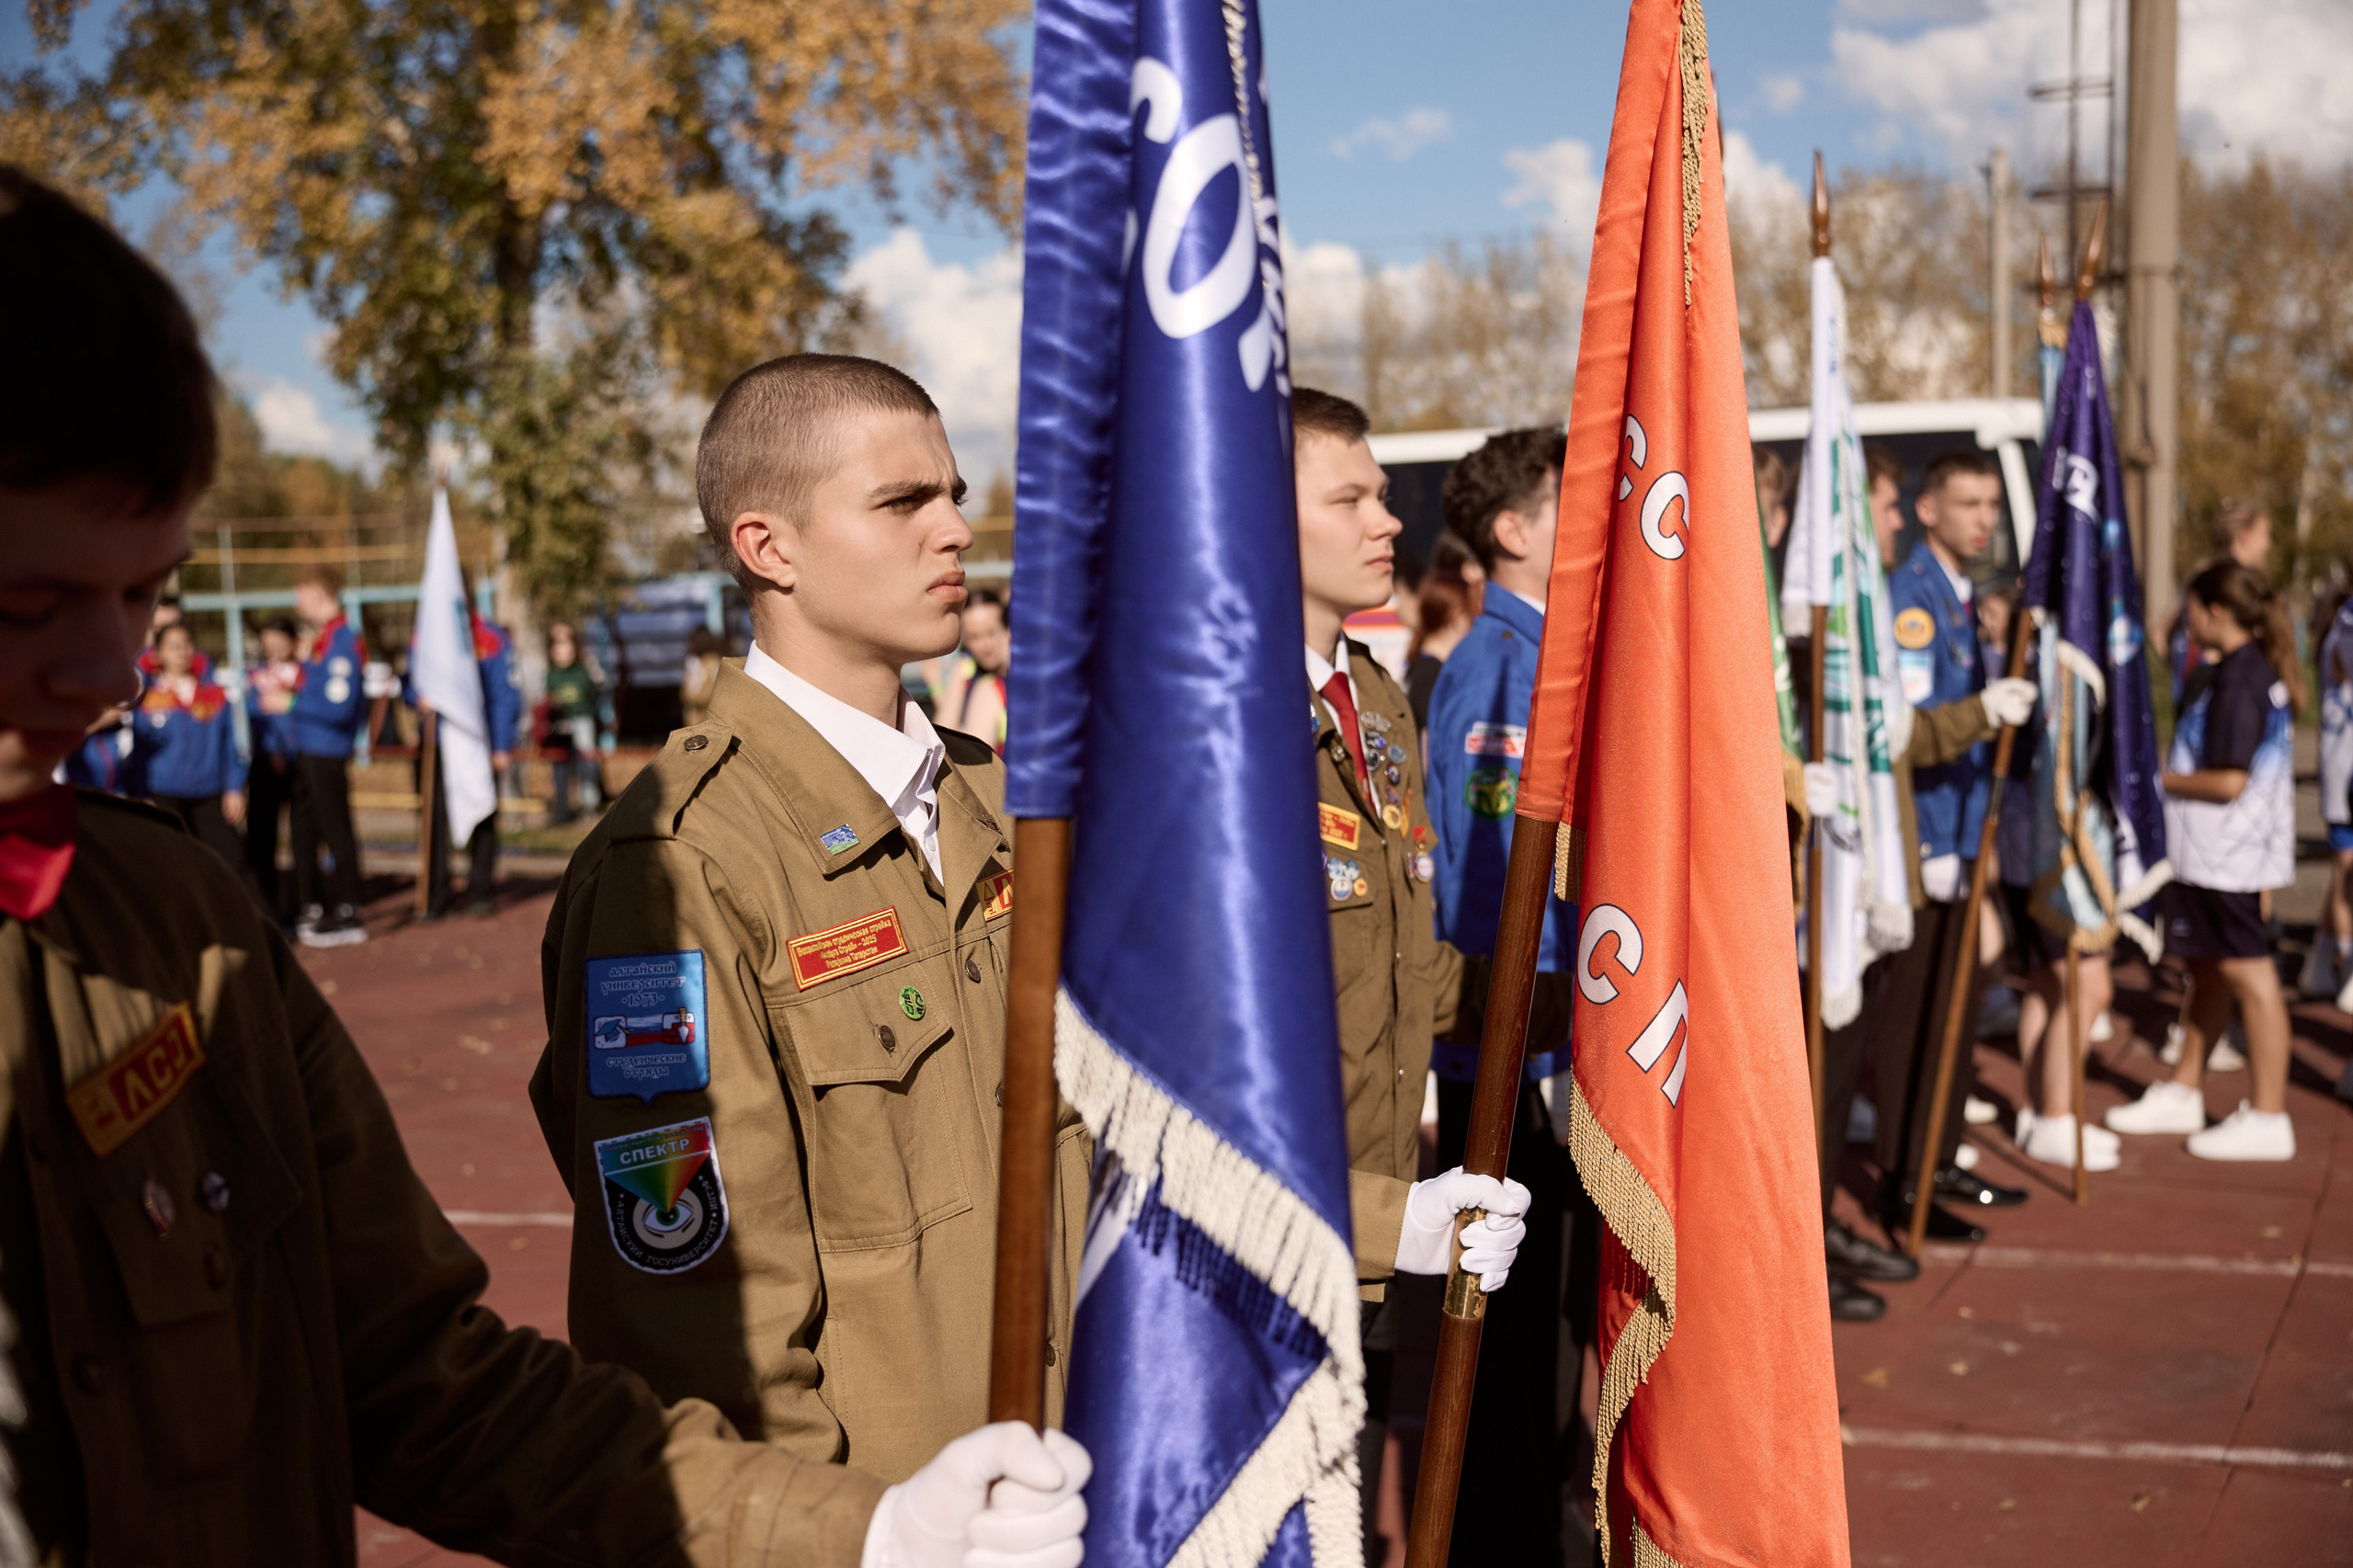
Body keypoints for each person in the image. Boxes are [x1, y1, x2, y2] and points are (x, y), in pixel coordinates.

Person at [0, 161, 1087, 1568]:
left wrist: (863, 1533)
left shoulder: (174, 924)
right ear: (766, 544)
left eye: (146, 594)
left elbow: (413, 1371)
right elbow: (701, 1299)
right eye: (30, 604)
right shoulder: (680, 857)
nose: (114, 673)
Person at [533, 354, 1095, 1488]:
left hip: (1083, 1470)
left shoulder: (996, 801)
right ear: (767, 547)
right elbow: (702, 1328)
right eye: (902, 501)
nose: (955, 531)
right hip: (897, 1521)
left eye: (954, 496)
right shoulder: (683, 862)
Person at [1291, 393, 1552, 1565]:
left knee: (1343, 1504)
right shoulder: (1213, 720)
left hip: (1379, 1188)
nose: (1387, 520)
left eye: (1382, 494)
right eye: (1349, 497)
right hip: (1279, 1225)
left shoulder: (1375, 700)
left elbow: (1406, 962)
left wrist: (1580, 1005)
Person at [1876, 449, 2031, 1241]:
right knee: (1919, 1017)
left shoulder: (1960, 591)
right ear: (1927, 509)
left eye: (1992, 506)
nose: (1984, 520)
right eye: (1969, 503)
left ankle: (1937, 1156)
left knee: (1956, 1010)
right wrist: (1939, 843)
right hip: (1929, 838)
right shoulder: (1913, 599)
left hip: (1965, 831)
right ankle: (1906, 1177)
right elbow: (1913, 733)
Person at [2107, 562, 2302, 1161]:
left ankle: (2269, 1114)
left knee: (2251, 975)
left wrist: (2155, 780)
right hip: (2215, 858)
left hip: (2228, 860)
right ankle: (2185, 1087)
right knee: (2210, 971)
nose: (2184, 619)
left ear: (2216, 612)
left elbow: (2228, 781)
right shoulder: (2235, 669)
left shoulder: (2241, 678)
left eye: (2190, 607)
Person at [415, 605, 521, 919]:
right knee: (433, 819)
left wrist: (501, 745)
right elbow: (411, 679)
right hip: (437, 743)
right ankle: (436, 894)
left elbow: (505, 694)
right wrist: (416, 696)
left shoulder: (490, 638)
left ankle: (479, 890)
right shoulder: (427, 633)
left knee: (482, 813)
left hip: (478, 743)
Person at [288, 563, 369, 946]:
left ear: (318, 592)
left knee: (335, 828)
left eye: (301, 593)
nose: (297, 602)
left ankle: (348, 911)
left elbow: (338, 705)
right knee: (304, 828)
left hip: (327, 748)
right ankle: (315, 906)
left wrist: (291, 701)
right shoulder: (323, 639)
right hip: (308, 746)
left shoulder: (341, 641)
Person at [128, 619, 245, 867]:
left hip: (210, 793)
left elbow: (229, 745)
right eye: (173, 646)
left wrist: (234, 787)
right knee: (172, 864)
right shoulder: (149, 698)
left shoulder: (214, 694)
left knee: (230, 863)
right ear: (158, 654)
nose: (181, 651)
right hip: (164, 793)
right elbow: (139, 751)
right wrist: (140, 794)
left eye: (186, 644)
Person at [243, 614, 304, 920]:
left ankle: (305, 904)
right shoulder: (255, 676)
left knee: (303, 837)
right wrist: (271, 750)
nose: (274, 649)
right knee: (262, 837)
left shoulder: (307, 675)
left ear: (293, 642)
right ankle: (267, 907)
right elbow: (253, 717)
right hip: (265, 764)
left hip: (303, 763)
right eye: (268, 644)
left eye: (280, 642)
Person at [1404, 531, 1481, 733]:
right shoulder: (1431, 677)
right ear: (1457, 616)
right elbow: (1433, 741)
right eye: (1472, 612)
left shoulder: (1428, 668)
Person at [543, 619, 604, 824]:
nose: (563, 651)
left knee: (587, 763)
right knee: (559, 765)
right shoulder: (550, 675)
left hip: (582, 720)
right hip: (558, 724)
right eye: (558, 645)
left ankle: (589, 807)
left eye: (566, 645)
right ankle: (562, 809)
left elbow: (594, 694)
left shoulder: (583, 671)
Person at [952, 586, 1010, 751]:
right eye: (974, 637)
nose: (985, 645)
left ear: (1006, 629)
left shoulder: (992, 687)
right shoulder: (966, 673)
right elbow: (943, 735)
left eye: (991, 633)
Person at [681, 624, 725, 728]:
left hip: (698, 716)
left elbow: (688, 693)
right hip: (710, 716)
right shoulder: (715, 662)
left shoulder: (694, 663)